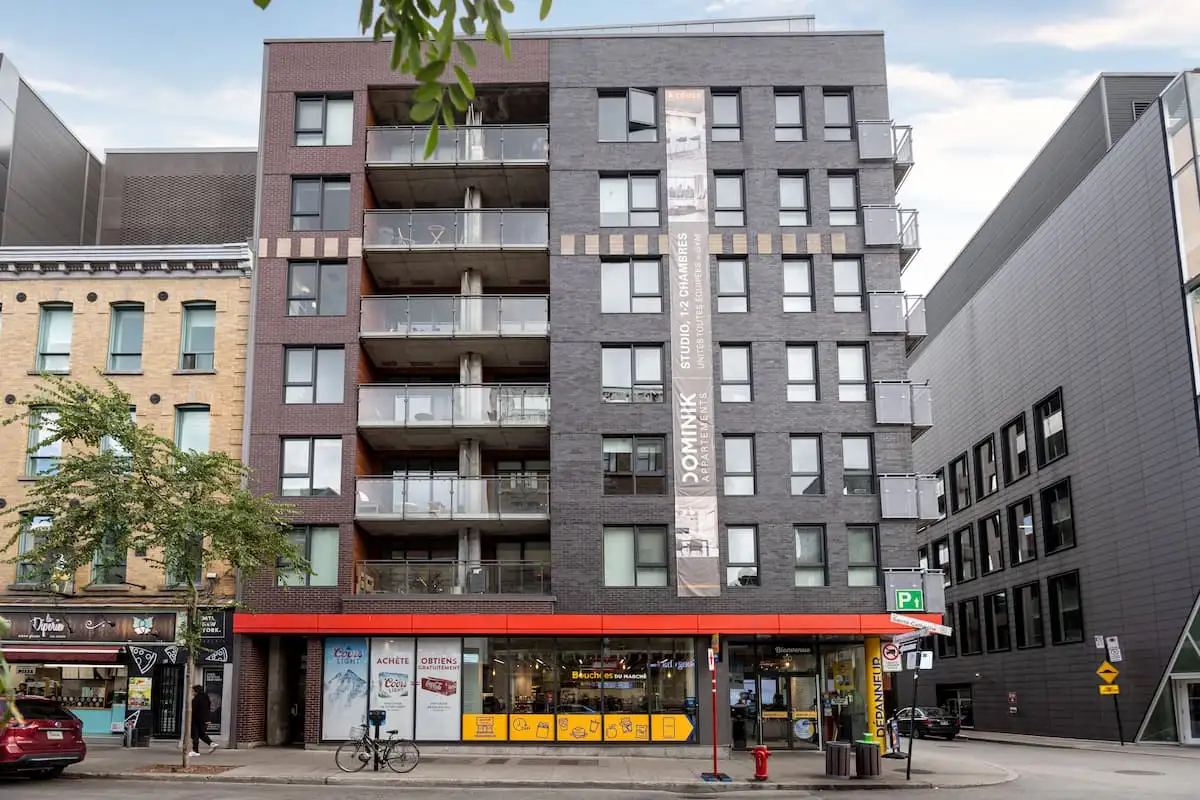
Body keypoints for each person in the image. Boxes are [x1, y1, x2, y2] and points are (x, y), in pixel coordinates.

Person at [190, 685, 218, 755]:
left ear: (196, 691)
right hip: (205, 719)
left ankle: (195, 751)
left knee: (195, 734)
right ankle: (211, 743)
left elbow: (194, 709)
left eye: (193, 691)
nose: (192, 692)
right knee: (201, 734)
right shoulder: (206, 698)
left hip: (197, 720)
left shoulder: (197, 699)